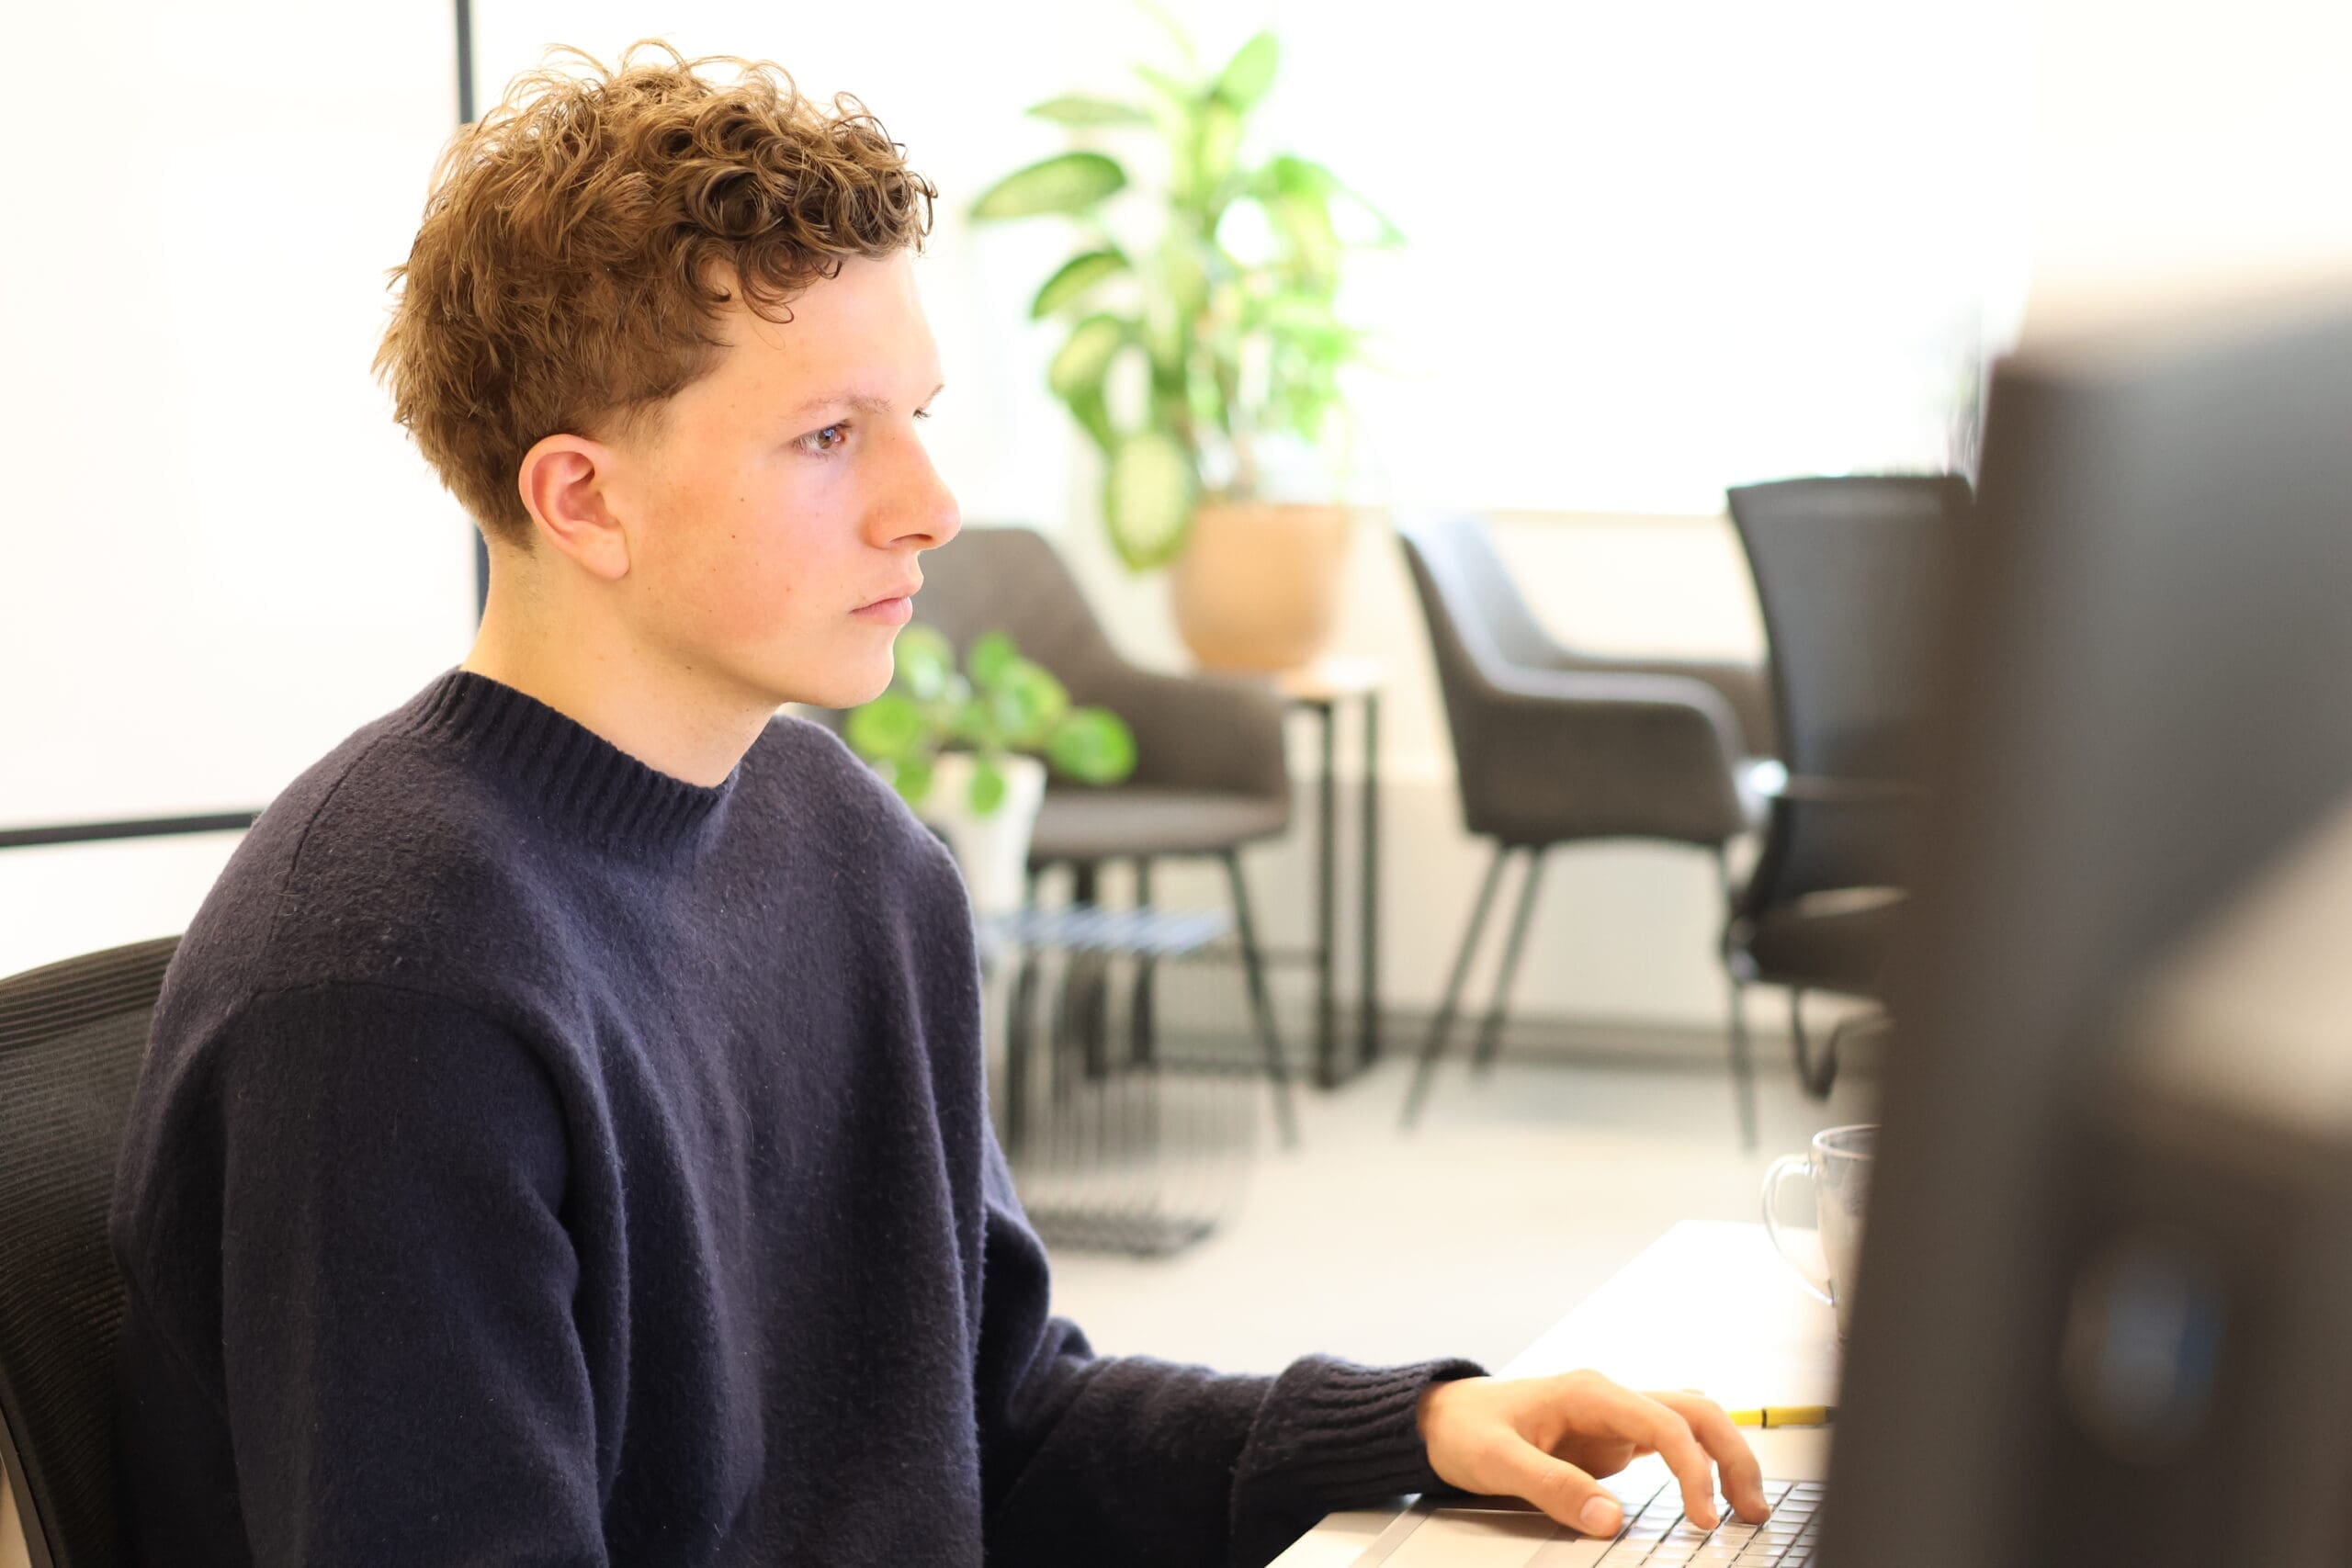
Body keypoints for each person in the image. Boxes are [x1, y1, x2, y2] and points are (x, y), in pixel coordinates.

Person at [107, 41, 1770, 1567]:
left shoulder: (845, 849)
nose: (931, 506)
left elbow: (994, 1423)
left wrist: (1401, 1430)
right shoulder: (393, 988)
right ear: (582, 499)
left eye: (919, 419)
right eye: (830, 437)